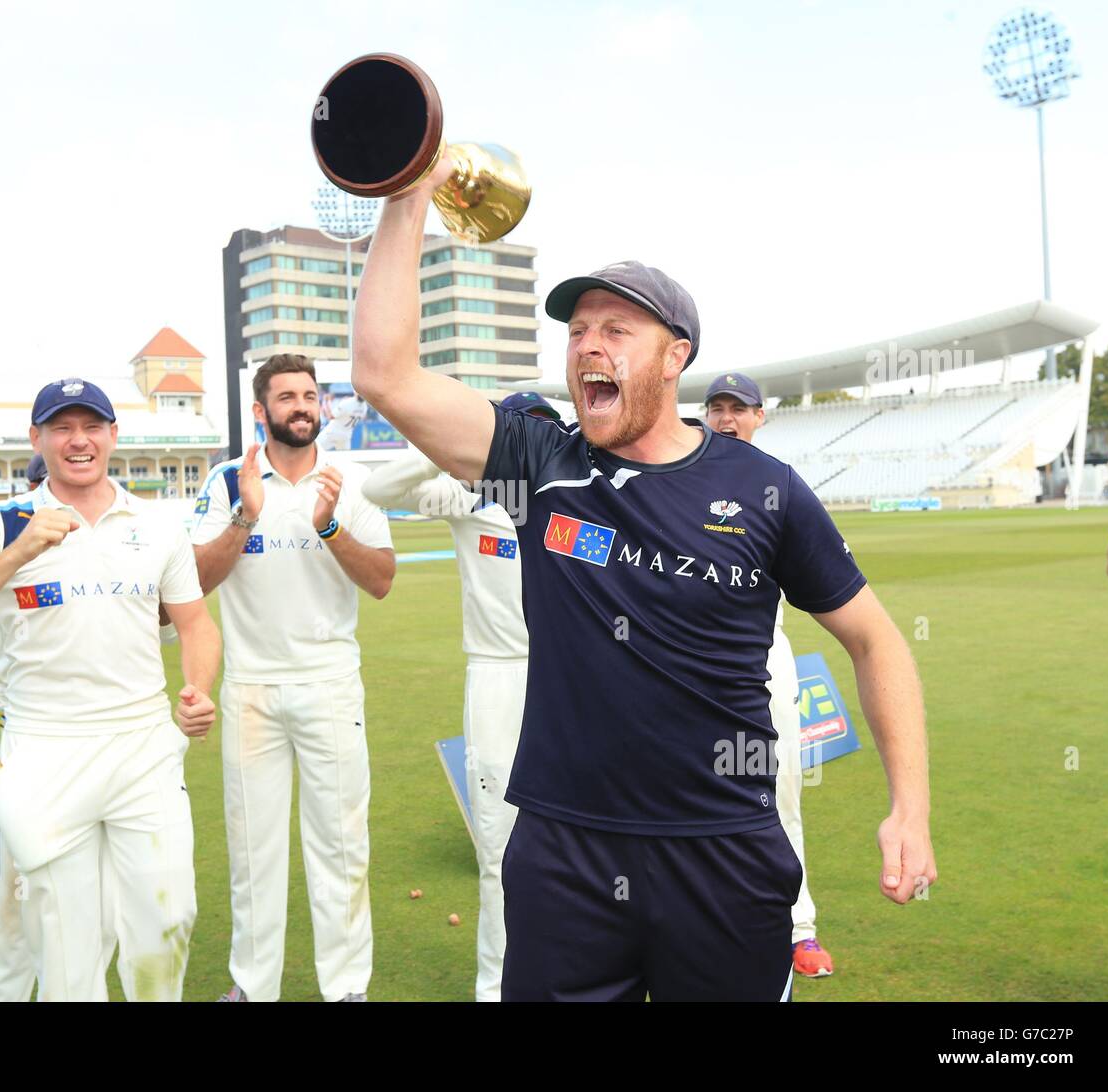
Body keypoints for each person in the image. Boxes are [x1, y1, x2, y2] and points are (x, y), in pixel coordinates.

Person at [348, 156, 936, 1001]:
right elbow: (384, 375)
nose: (588, 343)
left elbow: (876, 640)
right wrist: (406, 192)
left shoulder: (762, 489)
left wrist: (908, 807)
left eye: (616, 330)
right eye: (578, 329)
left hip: (725, 852)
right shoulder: (537, 461)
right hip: (565, 855)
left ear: (676, 357)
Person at [0, 377, 220, 1002]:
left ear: (111, 435)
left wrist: (197, 687)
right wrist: (17, 552)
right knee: (67, 945)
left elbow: (195, 623)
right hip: (45, 750)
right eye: (61, 428)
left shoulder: (156, 525)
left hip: (143, 746)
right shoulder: (1, 524)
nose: (78, 441)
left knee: (168, 917)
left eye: (91, 426)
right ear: (38, 438)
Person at [193, 354, 395, 1003]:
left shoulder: (350, 481)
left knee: (340, 847)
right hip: (251, 688)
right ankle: (252, 987)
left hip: (330, 684)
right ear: (261, 411)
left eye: (310, 395)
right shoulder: (228, 481)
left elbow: (381, 580)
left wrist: (330, 526)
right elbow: (192, 580)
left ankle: (346, 990)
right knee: (253, 850)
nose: (301, 406)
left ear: (322, 406)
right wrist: (246, 516)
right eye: (287, 397)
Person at [361, 390, 560, 1001]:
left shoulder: (582, 499)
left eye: (538, 430)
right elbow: (378, 491)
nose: (528, 440)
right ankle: (496, 989)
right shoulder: (471, 494)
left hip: (573, 680)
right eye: (515, 430)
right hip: (498, 678)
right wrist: (460, 443)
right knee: (500, 846)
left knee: (582, 846)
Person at [703, 371, 833, 979]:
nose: (726, 418)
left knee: (776, 794)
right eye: (716, 407)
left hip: (760, 663)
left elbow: (829, 586)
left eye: (739, 409)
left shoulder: (779, 488)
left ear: (760, 418)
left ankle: (797, 928)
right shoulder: (677, 476)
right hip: (684, 666)